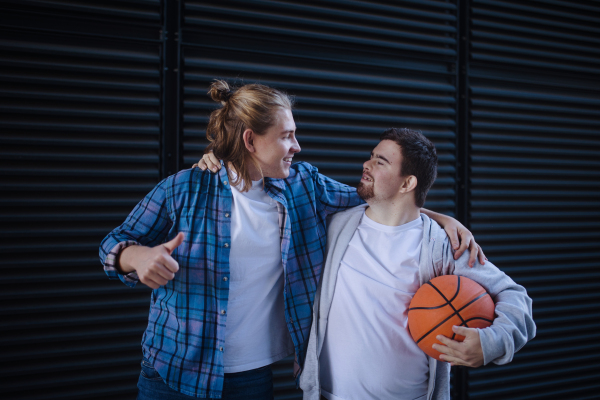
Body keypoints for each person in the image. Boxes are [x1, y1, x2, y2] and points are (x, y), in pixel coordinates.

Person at [99, 81, 484, 400]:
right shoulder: (185, 188)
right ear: (251, 140)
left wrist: (439, 216)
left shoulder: (305, 185)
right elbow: (114, 243)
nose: (298, 146)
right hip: (172, 374)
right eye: (287, 136)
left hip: (251, 378)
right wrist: (137, 257)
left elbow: (381, 199)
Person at [298, 128, 536, 400]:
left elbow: (516, 297)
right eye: (371, 157)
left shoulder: (444, 246)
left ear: (407, 184)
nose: (366, 164)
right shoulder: (335, 226)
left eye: (380, 161)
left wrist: (491, 342)